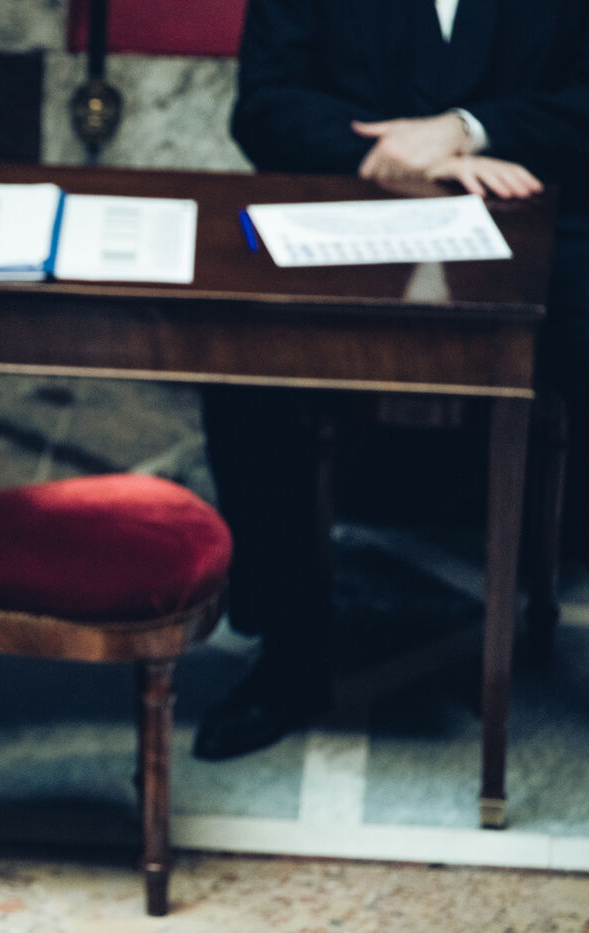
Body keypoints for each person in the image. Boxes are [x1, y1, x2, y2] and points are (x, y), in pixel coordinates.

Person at [196, 0, 589, 760]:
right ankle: (289, 655)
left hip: (539, 210)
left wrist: (467, 130)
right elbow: (266, 106)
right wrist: (404, 158)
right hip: (352, 207)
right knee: (246, 361)